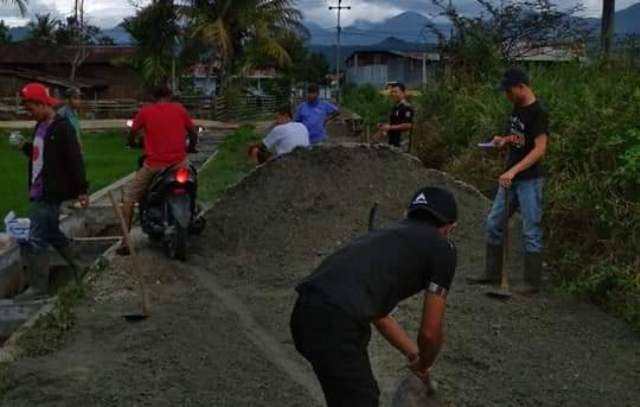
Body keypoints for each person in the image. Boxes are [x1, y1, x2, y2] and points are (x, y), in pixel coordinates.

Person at [290, 187, 458, 407]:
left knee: (357, 395)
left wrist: (412, 354)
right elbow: (429, 332)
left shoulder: (385, 236)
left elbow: (380, 316)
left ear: (407, 214)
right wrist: (425, 363)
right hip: (337, 322)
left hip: (304, 314)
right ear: (448, 229)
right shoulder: (443, 248)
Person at [467, 67, 549, 295]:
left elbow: (539, 149)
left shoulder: (538, 112)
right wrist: (503, 140)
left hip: (529, 180)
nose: (507, 95)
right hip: (510, 178)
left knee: (531, 229)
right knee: (494, 223)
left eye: (509, 90)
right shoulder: (516, 108)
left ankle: (532, 282)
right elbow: (519, 139)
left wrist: (514, 171)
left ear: (521, 86)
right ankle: (492, 273)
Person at [13, 83, 89, 301]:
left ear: (42, 104)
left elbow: (74, 160)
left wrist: (82, 189)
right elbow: (40, 155)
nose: (30, 113)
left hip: (50, 191)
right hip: (39, 188)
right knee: (51, 232)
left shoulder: (62, 127)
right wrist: (23, 147)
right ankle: (81, 265)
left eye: (31, 108)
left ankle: (38, 287)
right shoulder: (41, 126)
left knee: (37, 237)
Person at [116, 85, 197, 255]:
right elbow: (192, 132)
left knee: (129, 199)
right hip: (179, 163)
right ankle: (194, 212)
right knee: (193, 181)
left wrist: (131, 142)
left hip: (154, 165)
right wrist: (191, 147)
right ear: (170, 96)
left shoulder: (145, 111)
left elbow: (132, 132)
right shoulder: (180, 109)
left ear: (153, 97)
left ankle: (125, 242)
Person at [378, 82, 414, 149]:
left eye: (396, 92)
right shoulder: (395, 107)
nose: (393, 94)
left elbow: (408, 125)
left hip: (402, 143)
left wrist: (390, 127)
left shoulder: (406, 107)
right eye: (392, 92)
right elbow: (394, 123)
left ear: (403, 93)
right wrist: (384, 126)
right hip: (393, 141)